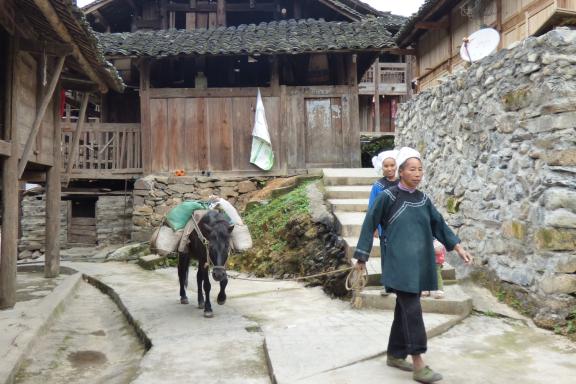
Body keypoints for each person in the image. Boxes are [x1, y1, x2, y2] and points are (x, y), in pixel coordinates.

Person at [354, 147, 473, 383]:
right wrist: (361, 257)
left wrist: (457, 247)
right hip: (399, 263)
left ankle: (396, 354)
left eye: (420, 169)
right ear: (400, 172)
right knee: (413, 310)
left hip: (420, 261)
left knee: (405, 308)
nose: (417, 174)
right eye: (412, 169)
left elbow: (438, 224)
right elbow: (369, 224)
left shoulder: (423, 199)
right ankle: (419, 363)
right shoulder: (387, 197)